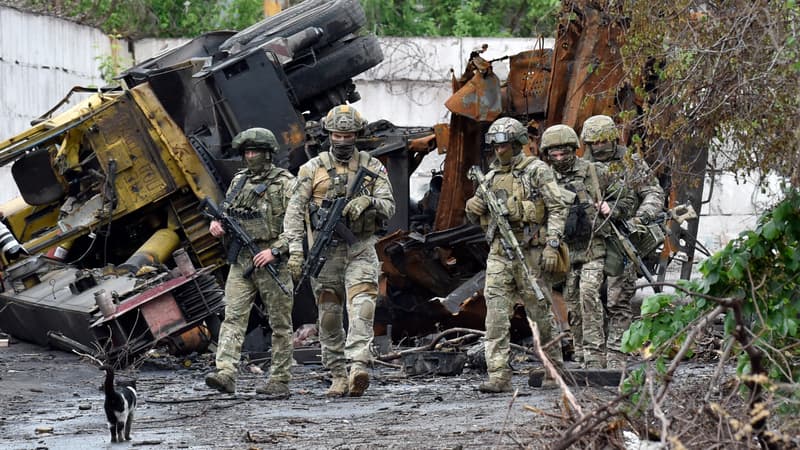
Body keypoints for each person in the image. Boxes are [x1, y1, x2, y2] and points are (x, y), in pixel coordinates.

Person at [283, 104, 395, 397]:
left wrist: (368, 202)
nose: (343, 141)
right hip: (326, 254)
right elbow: (294, 213)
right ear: (328, 135)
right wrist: (295, 251)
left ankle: (358, 364)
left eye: (348, 135)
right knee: (329, 316)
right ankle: (337, 374)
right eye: (337, 135)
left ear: (357, 134)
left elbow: (389, 206)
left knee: (362, 307)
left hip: (359, 248)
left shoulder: (373, 167)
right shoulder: (311, 169)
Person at [464, 117, 568, 393]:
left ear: (518, 143)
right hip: (499, 253)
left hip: (530, 251)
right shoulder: (489, 177)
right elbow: (477, 217)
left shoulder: (536, 171)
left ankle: (553, 368)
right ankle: (498, 375)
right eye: (496, 146)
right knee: (496, 315)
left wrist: (552, 244)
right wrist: (473, 207)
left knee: (539, 313)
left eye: (505, 145)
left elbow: (557, 208)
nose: (500, 151)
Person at [204, 127, 295, 397]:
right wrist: (216, 225)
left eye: (255, 151)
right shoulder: (239, 182)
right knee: (232, 317)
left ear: (268, 154)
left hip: (272, 261)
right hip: (242, 260)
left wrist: (276, 251)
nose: (250, 156)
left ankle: (279, 380)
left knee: (280, 323)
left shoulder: (286, 184)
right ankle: (226, 373)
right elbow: (226, 212)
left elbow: (299, 226)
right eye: (246, 152)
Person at [541, 124, 635, 369]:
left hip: (595, 246)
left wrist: (610, 208)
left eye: (564, 153)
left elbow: (627, 197)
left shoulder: (594, 171)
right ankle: (581, 352)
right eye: (554, 155)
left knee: (588, 294)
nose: (560, 159)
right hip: (567, 251)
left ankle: (595, 355)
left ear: (574, 150)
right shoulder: (545, 178)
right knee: (571, 301)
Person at [580, 115, 665, 368]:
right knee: (587, 296)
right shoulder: (581, 166)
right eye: (594, 142)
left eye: (604, 141)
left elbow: (652, 192)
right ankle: (591, 356)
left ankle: (618, 356)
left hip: (624, 236)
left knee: (618, 299)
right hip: (591, 240)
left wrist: (642, 217)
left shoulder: (630, 163)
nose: (599, 146)